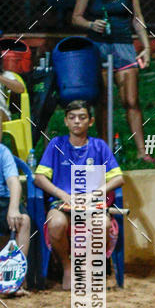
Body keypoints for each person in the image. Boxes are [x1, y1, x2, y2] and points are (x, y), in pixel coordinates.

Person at [72, 0, 154, 163]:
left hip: (124, 46)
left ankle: (141, 151)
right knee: (103, 101)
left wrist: (146, 47)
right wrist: (91, 24)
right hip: (98, 47)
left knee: (131, 100)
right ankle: (105, 151)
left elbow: (137, 18)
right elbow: (76, 17)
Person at [34, 100, 124, 290]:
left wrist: (94, 195)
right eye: (72, 117)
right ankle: (68, 268)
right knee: (56, 224)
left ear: (90, 122)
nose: (77, 121)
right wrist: (62, 194)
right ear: (66, 121)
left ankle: (86, 267)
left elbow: (118, 179)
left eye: (82, 117)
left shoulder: (99, 146)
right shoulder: (56, 144)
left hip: (93, 205)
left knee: (103, 224)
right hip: (62, 204)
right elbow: (39, 178)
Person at [0, 143, 30, 294]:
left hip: (3, 200)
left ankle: (16, 282)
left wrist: (13, 208)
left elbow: (14, 182)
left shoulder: (3, 152)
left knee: (23, 220)